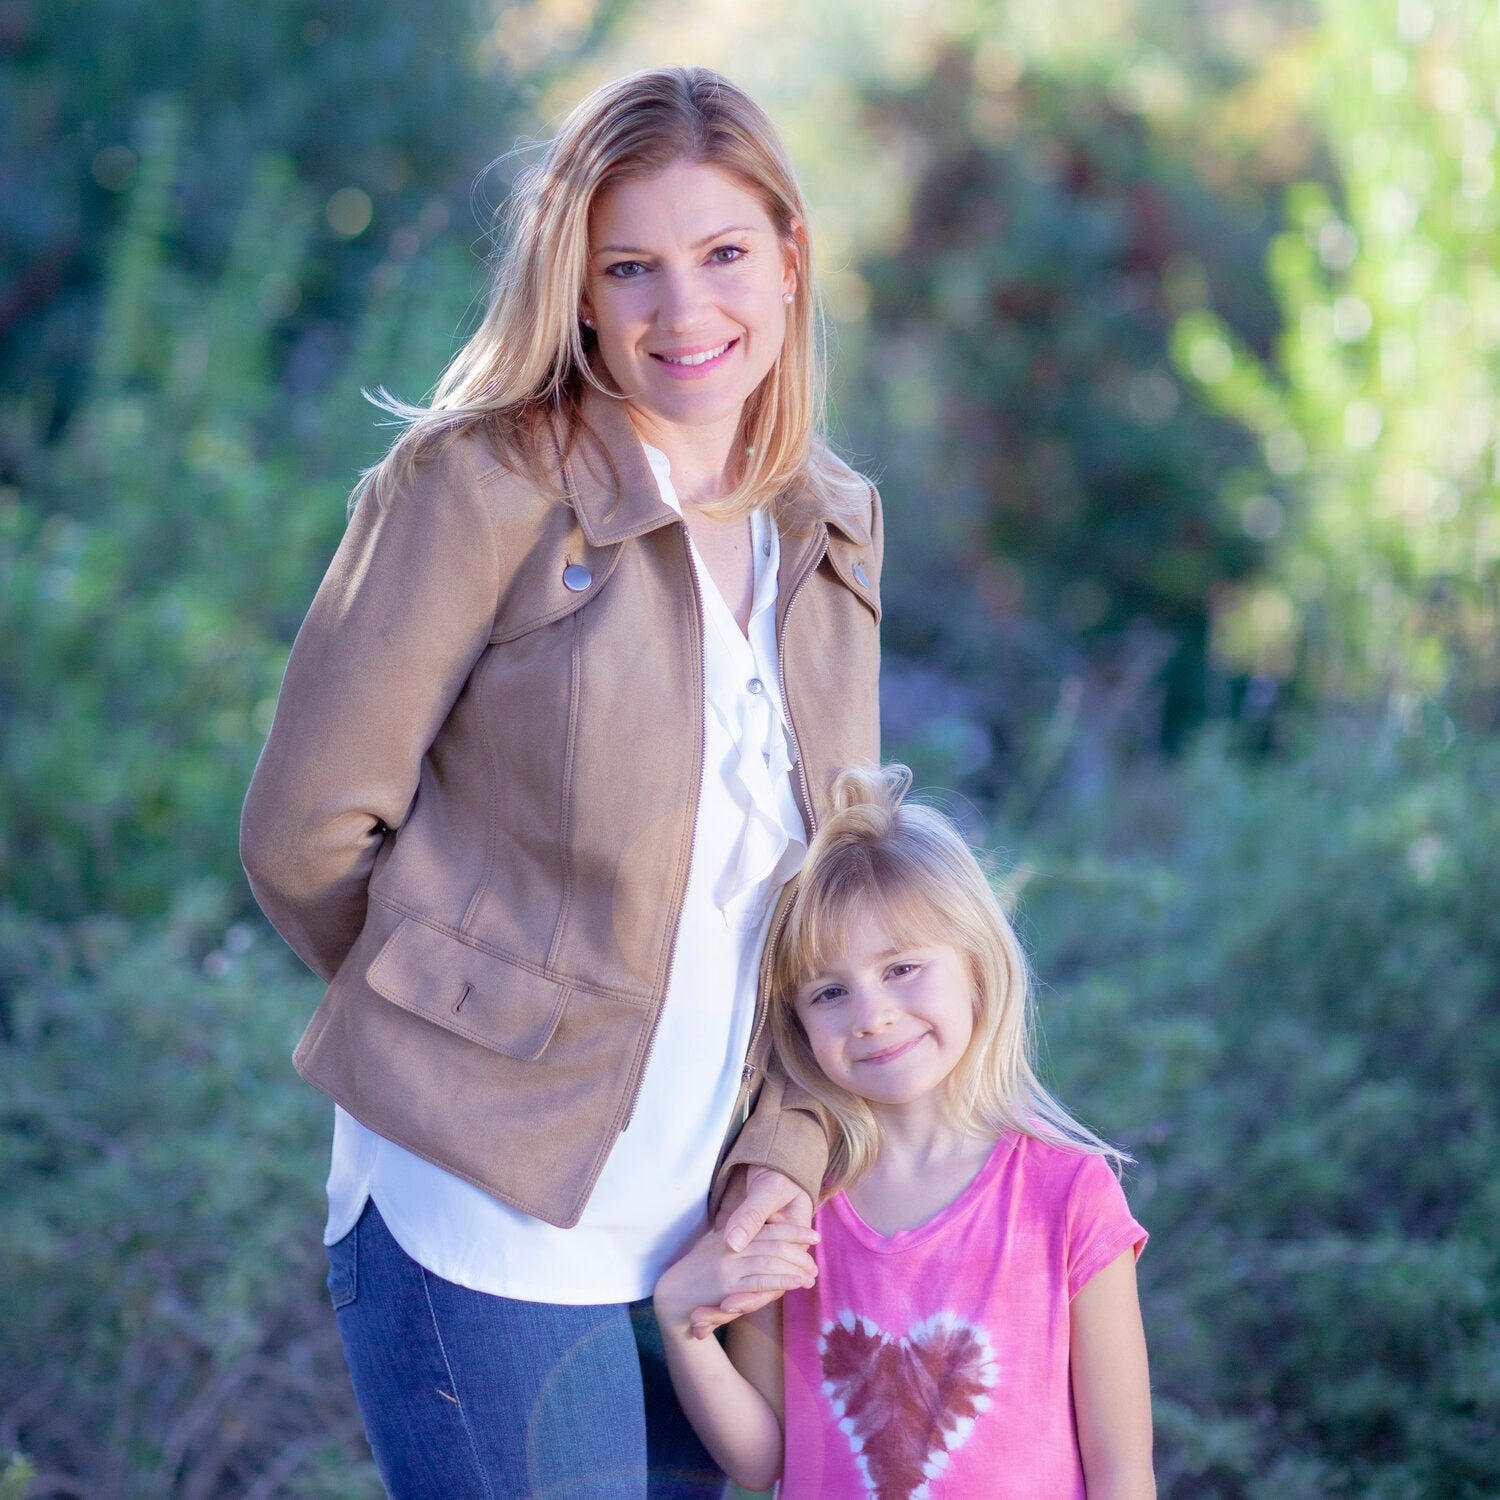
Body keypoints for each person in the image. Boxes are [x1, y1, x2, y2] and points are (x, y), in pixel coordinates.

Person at [239, 67, 884, 1498]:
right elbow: (304, 833)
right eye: (630, 267)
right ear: (577, 292)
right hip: (488, 1224)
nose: (684, 309)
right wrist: (473, 1046)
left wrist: (790, 1149)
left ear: (790, 259)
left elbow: (840, 900)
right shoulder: (477, 488)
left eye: (723, 253)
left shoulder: (829, 524)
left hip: (718, 1241)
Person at [654, 765, 1155, 1499]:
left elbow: (1123, 1472)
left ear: (977, 967)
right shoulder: (791, 1206)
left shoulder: (1069, 1193)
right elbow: (764, 1460)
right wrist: (682, 1324)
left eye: (902, 968)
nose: (872, 1016)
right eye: (830, 991)